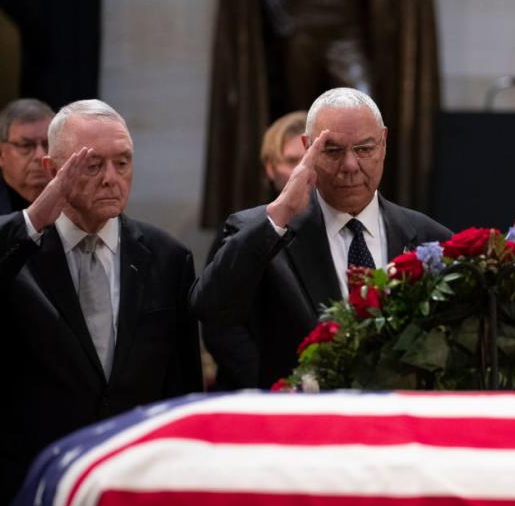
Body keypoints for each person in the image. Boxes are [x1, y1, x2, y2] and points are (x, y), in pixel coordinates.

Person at [0, 99, 202, 506]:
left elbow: (181, 384)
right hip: (29, 487)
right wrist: (36, 217)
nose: (111, 178)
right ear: (53, 171)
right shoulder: (17, 249)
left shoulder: (167, 256)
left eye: (122, 162)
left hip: (134, 483)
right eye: (92, 165)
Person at [192, 87, 451, 389]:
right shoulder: (262, 232)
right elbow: (211, 310)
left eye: (365, 149)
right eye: (333, 150)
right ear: (308, 147)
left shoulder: (430, 239)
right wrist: (280, 213)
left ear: (384, 143)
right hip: (293, 423)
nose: (351, 166)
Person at [203, 110, 306, 390]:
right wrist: (268, 381)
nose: (301, 171)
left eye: (307, 160)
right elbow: (218, 322)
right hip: (253, 391)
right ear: (270, 168)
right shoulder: (241, 228)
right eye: (291, 161)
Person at [0, 98, 54, 216]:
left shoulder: (78, 205)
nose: (40, 155)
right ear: (0, 153)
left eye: (48, 144)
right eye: (26, 146)